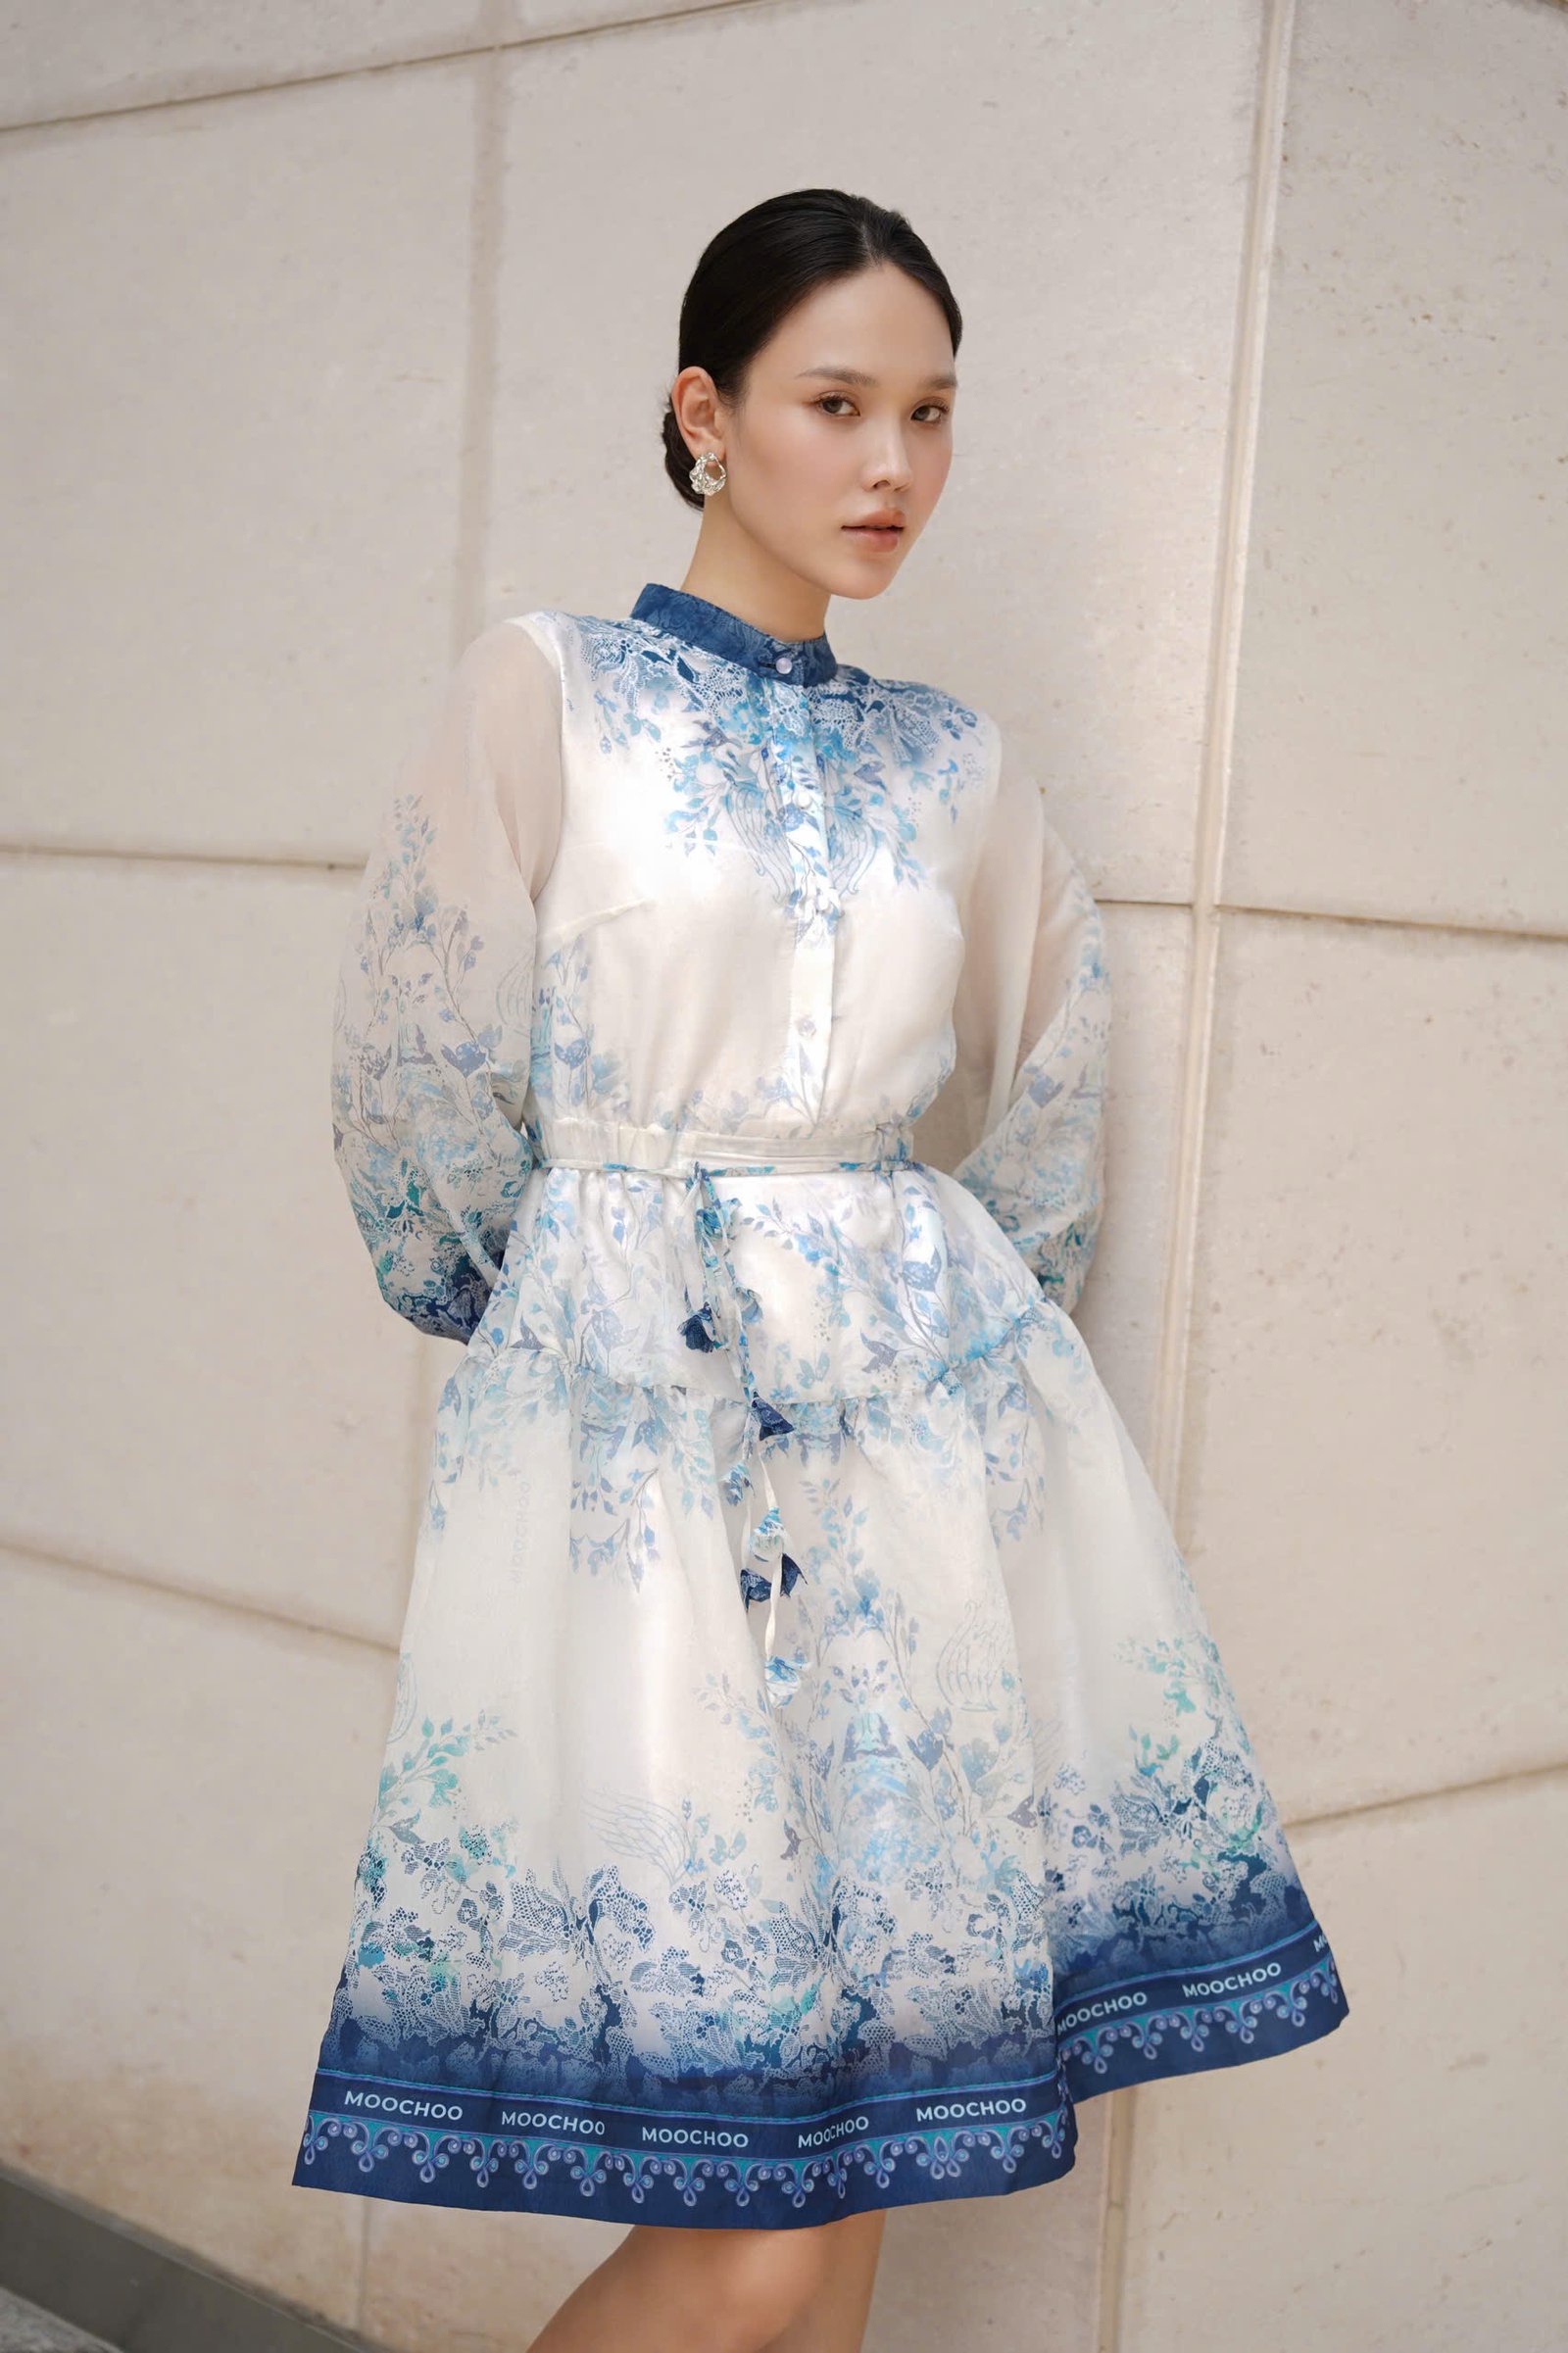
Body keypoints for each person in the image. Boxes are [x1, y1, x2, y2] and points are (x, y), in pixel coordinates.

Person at [290, 188, 1348, 2351]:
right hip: (634, 1475)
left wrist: (936, 1328)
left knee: (853, 2171)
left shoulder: (950, 762)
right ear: (704, 413)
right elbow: (414, 1071)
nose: (893, 466)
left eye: (931, 414)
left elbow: (1053, 1069)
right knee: (749, 2222)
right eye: (837, 404)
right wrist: (571, 1325)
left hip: (909, 1497)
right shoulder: (548, 692)